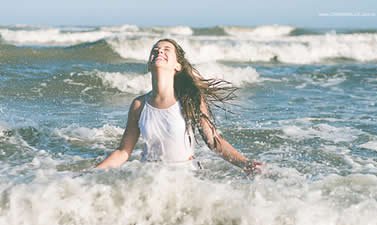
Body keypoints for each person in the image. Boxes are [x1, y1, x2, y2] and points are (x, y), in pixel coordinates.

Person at [96, 38, 262, 173]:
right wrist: (90, 174)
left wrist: (245, 163)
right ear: (148, 64)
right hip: (149, 178)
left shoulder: (191, 99)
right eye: (155, 50)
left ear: (178, 66)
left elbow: (214, 141)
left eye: (166, 49)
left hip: (185, 178)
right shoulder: (139, 105)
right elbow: (123, 152)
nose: (159, 51)